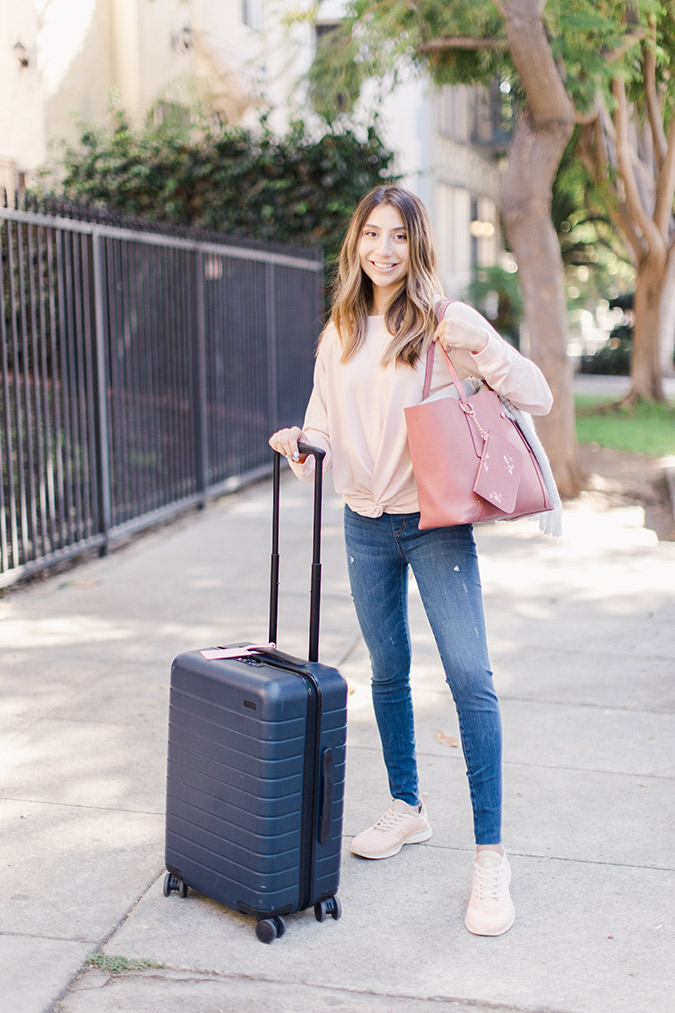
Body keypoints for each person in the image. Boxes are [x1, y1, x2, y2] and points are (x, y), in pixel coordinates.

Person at [269, 185, 553, 937]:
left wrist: (481, 344)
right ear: (355, 242)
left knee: (470, 677)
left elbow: (539, 394)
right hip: (362, 524)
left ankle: (490, 856)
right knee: (386, 671)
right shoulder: (337, 329)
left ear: (415, 244)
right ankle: (406, 807)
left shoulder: (441, 323)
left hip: (432, 525)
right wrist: (300, 445)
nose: (383, 249)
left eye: (398, 236)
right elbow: (324, 428)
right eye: (372, 234)